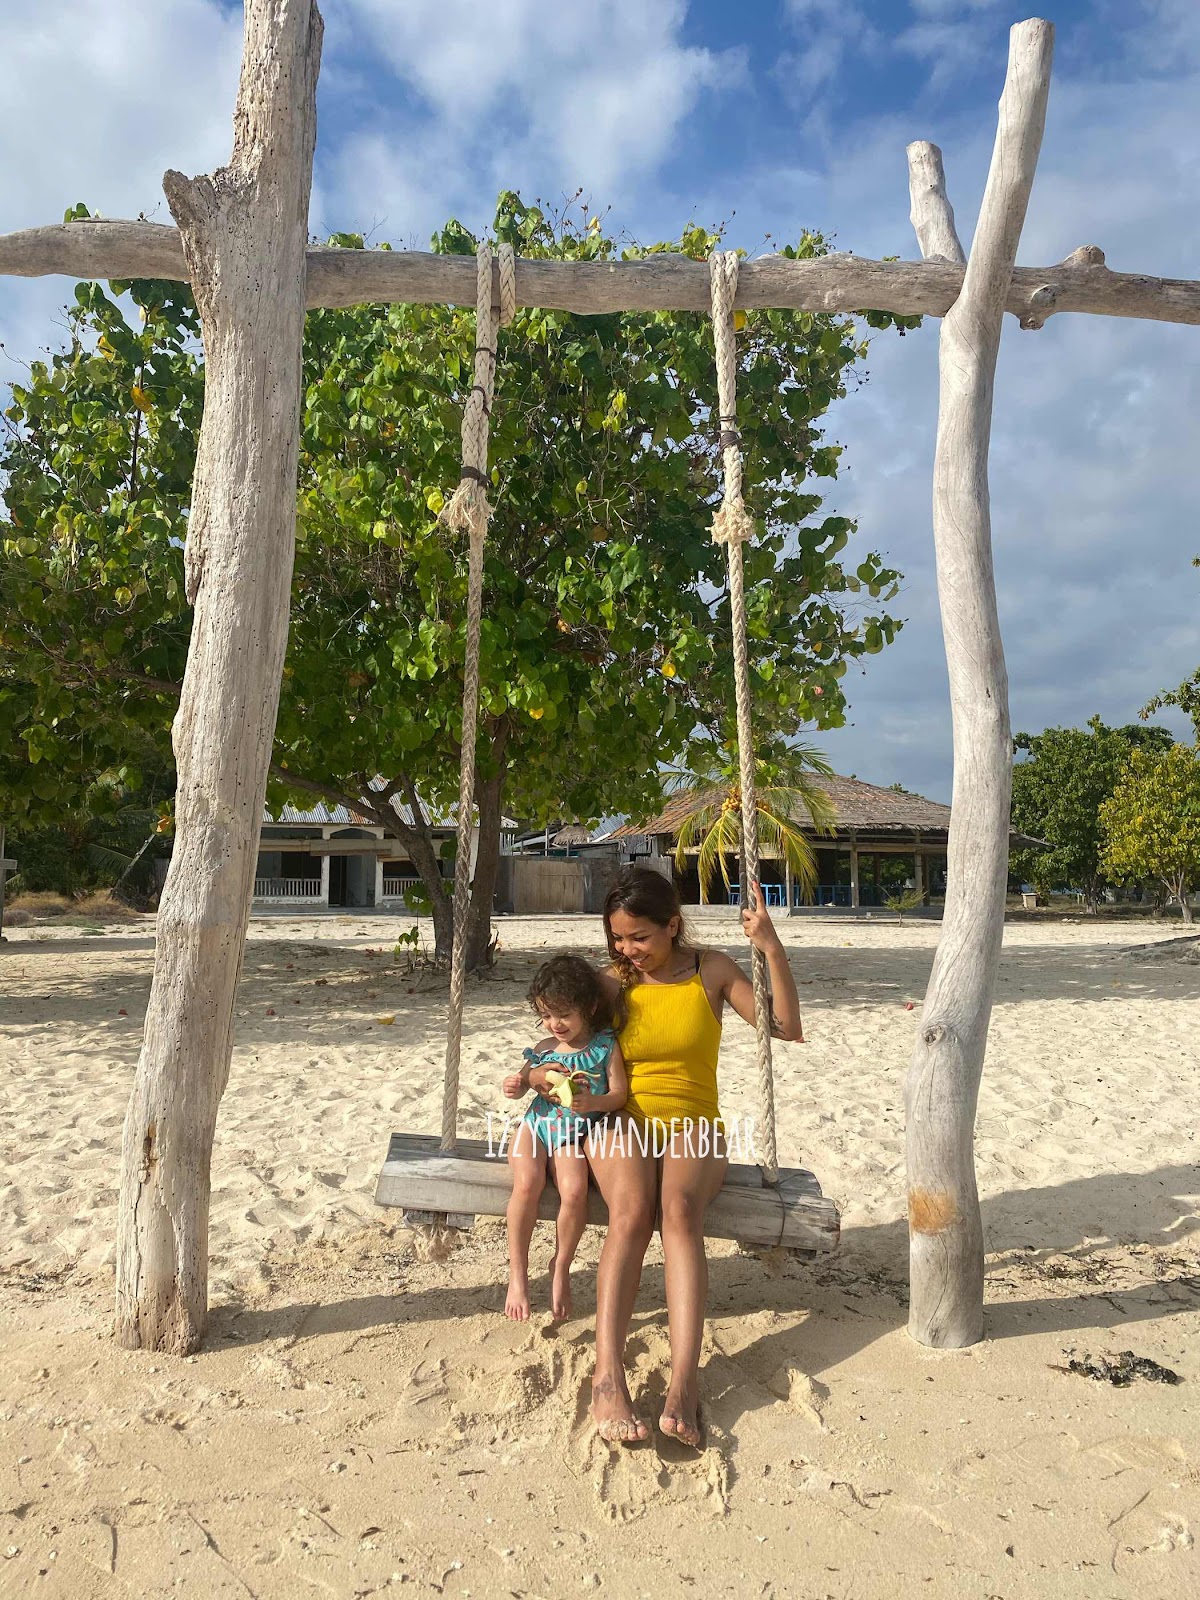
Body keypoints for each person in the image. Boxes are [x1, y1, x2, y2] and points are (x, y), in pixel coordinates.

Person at [587, 867, 803, 1446]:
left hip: (695, 1123)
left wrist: (770, 946)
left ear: (673, 926)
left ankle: (685, 1381)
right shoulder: (611, 985)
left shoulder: (712, 971)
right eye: (618, 939)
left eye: (640, 938)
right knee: (631, 1212)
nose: (628, 951)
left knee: (679, 1210)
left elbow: (784, 1028)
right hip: (621, 1119)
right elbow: (561, 1038)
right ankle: (608, 1378)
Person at [501, 954, 628, 1322]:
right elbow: (524, 1083)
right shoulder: (543, 1048)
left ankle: (561, 1266)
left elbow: (619, 1094)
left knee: (573, 1190)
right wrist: (517, 1084)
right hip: (536, 1128)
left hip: (572, 1135)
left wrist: (594, 1102)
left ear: (588, 1007)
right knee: (527, 1183)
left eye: (563, 1015)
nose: (555, 1024)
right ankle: (518, 1275)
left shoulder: (605, 1047)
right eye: (546, 1015)